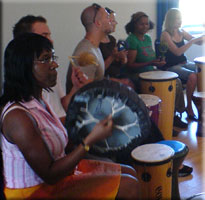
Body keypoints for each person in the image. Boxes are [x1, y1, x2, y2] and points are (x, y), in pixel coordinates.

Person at [0, 33, 139, 199]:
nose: (55, 64)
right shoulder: (17, 117)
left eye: (52, 57)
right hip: (35, 192)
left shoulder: (38, 100)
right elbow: (50, 174)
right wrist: (89, 140)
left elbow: (58, 134)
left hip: (56, 179)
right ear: (23, 66)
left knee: (129, 171)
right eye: (45, 59)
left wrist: (77, 90)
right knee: (129, 186)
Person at [13, 15, 88, 125]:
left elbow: (62, 106)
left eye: (49, 35)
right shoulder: (27, 80)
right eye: (44, 35)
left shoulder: (50, 70)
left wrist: (75, 88)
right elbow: (46, 124)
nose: (51, 40)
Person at [124, 11, 188, 130]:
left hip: (151, 71)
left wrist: (158, 61)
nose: (145, 26)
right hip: (138, 75)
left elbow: (151, 58)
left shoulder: (147, 38)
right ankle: (163, 122)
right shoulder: (132, 40)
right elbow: (130, 65)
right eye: (141, 24)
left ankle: (174, 115)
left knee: (176, 82)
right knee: (163, 88)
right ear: (134, 25)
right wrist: (150, 63)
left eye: (146, 24)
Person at [160, 8, 205, 121]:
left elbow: (199, 42)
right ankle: (189, 106)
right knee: (193, 76)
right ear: (170, 20)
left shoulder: (181, 31)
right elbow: (177, 51)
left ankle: (199, 101)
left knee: (202, 70)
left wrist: (201, 36)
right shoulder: (165, 34)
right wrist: (192, 41)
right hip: (171, 67)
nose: (180, 21)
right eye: (177, 19)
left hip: (183, 63)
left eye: (180, 19)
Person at [99, 7, 135, 90]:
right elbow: (98, 73)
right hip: (106, 79)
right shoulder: (97, 44)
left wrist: (123, 58)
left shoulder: (112, 39)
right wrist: (112, 57)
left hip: (117, 74)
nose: (116, 23)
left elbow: (119, 63)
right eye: (112, 20)